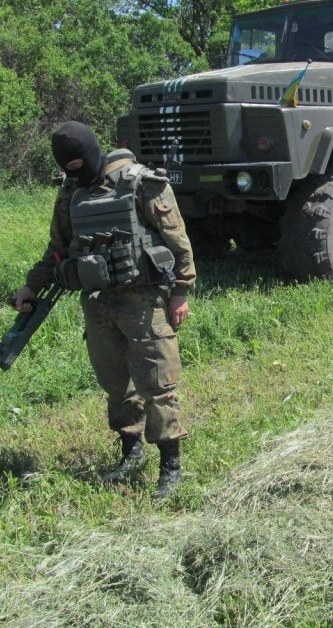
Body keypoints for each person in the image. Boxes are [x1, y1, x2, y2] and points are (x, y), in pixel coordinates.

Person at [13, 121, 196, 500]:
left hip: (143, 301)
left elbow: (178, 242)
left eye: (80, 164)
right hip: (98, 304)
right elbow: (58, 248)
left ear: (94, 152)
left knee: (157, 383)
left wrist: (181, 291)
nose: (75, 173)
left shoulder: (141, 183)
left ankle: (170, 466)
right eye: (68, 168)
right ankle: (130, 451)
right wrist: (32, 284)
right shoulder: (70, 194)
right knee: (116, 384)